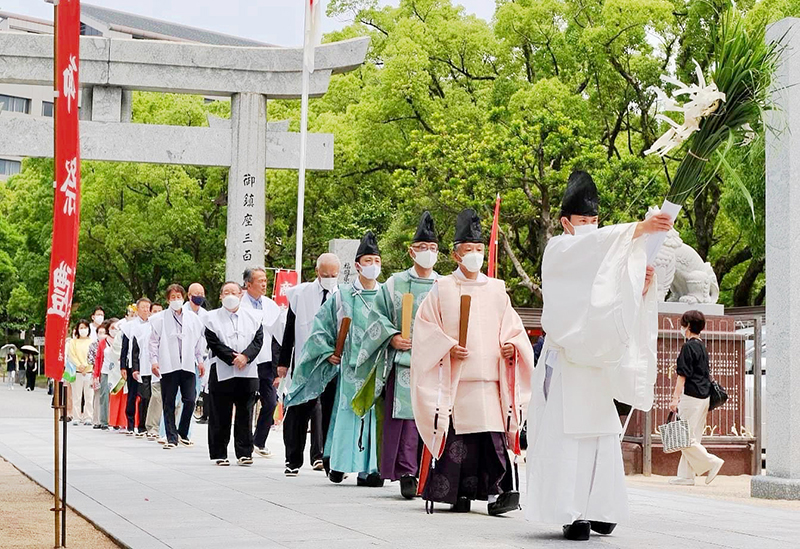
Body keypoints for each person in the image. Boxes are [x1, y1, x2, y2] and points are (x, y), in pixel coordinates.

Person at [525, 170, 669, 541]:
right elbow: (590, 250)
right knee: (569, 438)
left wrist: (639, 286)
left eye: (594, 221)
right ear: (565, 223)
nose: (589, 227)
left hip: (593, 364)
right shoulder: (560, 249)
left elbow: (611, 301)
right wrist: (638, 228)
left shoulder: (603, 255)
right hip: (567, 361)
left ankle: (600, 508)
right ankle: (571, 513)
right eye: (582, 221)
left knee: (602, 436)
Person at [412, 209, 535, 516]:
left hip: (491, 380)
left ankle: (497, 497)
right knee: (459, 442)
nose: (475, 256)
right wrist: (447, 348)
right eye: (469, 251)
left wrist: (511, 347)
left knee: (492, 440)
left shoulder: (496, 288)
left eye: (479, 251)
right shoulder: (442, 289)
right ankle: (457, 495)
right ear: (456, 255)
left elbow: (513, 328)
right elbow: (426, 327)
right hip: (457, 380)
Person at [285, 232, 384, 486]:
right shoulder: (342, 295)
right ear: (358, 265)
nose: (373, 265)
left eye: (377, 260)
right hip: (349, 368)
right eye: (368, 260)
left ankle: (370, 469)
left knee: (373, 417)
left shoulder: (386, 295)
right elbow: (321, 327)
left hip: (376, 367)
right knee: (346, 414)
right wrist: (329, 351)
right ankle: (338, 464)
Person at [354, 212, 441, 498]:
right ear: (411, 250)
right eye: (423, 248)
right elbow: (375, 317)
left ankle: (430, 471)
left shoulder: (444, 285)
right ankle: (406, 472)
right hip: (403, 363)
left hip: (436, 363)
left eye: (433, 248)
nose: (428, 253)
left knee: (432, 417)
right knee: (405, 420)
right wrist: (392, 336)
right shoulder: (395, 283)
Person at [278, 253, 341, 476]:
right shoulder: (299, 294)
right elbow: (290, 329)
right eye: (325, 275)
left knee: (330, 412)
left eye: (333, 275)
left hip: (333, 364)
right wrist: (283, 362)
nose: (329, 279)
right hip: (305, 363)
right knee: (298, 410)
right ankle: (292, 460)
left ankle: (328, 460)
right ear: (317, 272)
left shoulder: (343, 296)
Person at [204, 282, 263, 466]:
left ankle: (245, 452)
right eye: (226, 292)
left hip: (247, 371)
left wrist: (245, 357)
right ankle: (219, 453)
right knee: (220, 414)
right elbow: (213, 342)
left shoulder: (254, 317)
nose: (230, 295)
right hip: (222, 372)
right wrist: (232, 358)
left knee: (245, 414)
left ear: (241, 294)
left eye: (234, 292)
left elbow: (258, 341)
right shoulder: (211, 318)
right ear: (221, 296)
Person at [668, 310, 725, 485]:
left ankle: (711, 462)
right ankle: (686, 476)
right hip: (704, 396)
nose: (681, 328)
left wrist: (675, 398)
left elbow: (682, 375)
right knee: (693, 437)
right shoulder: (702, 346)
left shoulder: (688, 347)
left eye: (683, 324)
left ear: (689, 326)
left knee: (684, 437)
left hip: (691, 396)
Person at [149, 284, 207, 450]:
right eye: (172, 297)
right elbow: (153, 342)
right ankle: (171, 437)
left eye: (178, 297)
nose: (176, 300)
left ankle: (182, 431)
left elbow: (198, 342)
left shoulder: (193, 318)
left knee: (190, 399)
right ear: (168, 300)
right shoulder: (159, 319)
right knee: (169, 402)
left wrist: (200, 360)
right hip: (168, 364)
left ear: (184, 298)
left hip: (187, 364)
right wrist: (154, 361)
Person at [240, 267, 284, 458]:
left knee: (271, 401)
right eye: (260, 281)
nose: (264, 284)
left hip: (265, 361)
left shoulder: (270, 305)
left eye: (266, 280)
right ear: (248, 284)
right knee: (246, 402)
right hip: (246, 360)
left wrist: (277, 368)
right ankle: (245, 443)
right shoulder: (239, 305)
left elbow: (277, 338)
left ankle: (259, 440)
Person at [131, 302, 163, 439]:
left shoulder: (165, 327)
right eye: (154, 311)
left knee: (158, 397)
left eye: (159, 311)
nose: (156, 314)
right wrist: (135, 368)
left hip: (161, 369)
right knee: (146, 397)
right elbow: (135, 350)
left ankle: (157, 426)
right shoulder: (142, 328)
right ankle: (144, 425)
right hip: (145, 368)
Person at [120, 298, 151, 435]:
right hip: (133, 365)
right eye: (143, 307)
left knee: (146, 396)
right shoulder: (130, 326)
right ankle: (130, 423)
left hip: (149, 365)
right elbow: (125, 348)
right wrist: (123, 366)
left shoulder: (153, 324)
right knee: (132, 395)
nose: (145, 310)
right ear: (137, 309)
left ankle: (143, 424)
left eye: (147, 307)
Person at [185, 283, 210, 424]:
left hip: (200, 361)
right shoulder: (181, 312)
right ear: (189, 295)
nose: (199, 297)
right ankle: (168, 431)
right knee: (177, 398)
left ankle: (185, 431)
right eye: (196, 294)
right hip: (182, 360)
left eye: (201, 294)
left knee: (192, 396)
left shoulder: (206, 315)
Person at [67, 320, 95, 425]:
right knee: (76, 396)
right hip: (77, 371)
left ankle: (88, 416)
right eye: (81, 328)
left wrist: (87, 366)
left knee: (89, 396)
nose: (83, 330)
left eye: (85, 327)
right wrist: (79, 365)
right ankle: (76, 416)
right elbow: (72, 355)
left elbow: (93, 357)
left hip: (89, 372)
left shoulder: (92, 342)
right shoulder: (73, 342)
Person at [94, 319, 121, 430]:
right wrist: (96, 374)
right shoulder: (103, 342)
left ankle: (116, 421)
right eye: (112, 328)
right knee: (104, 396)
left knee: (116, 396)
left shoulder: (121, 340)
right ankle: (104, 420)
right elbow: (98, 358)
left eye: (116, 328)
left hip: (118, 373)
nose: (114, 330)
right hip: (106, 371)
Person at [89, 323, 108, 427]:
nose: (102, 334)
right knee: (98, 397)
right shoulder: (94, 345)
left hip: (110, 372)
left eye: (104, 332)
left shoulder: (111, 342)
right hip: (97, 372)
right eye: (100, 332)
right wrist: (96, 374)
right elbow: (95, 359)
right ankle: (97, 420)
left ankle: (107, 419)